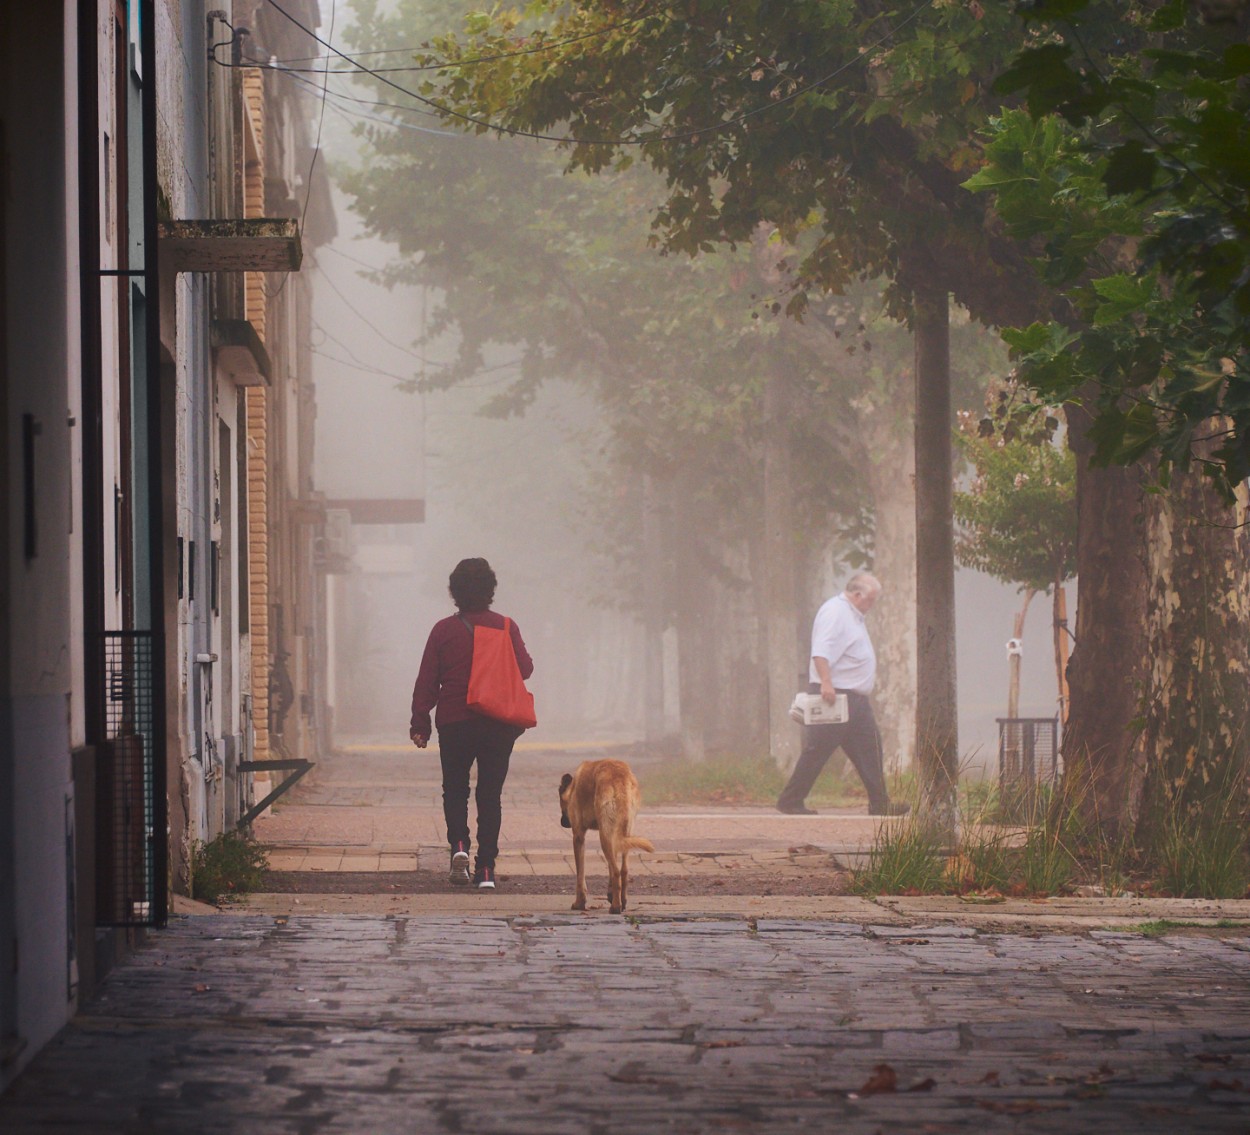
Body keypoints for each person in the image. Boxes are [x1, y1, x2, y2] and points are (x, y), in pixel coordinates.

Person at [410, 558, 534, 890]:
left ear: (455, 592)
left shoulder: (443, 630)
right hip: (497, 722)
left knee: (455, 789)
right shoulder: (506, 626)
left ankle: (459, 847)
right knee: (489, 795)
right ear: (491, 590)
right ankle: (487, 871)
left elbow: (427, 680)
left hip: (454, 721)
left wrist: (420, 723)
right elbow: (525, 669)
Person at [776, 572, 909, 817]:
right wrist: (826, 682)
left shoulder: (853, 616)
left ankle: (879, 803)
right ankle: (790, 800)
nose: (872, 605)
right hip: (835, 696)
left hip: (855, 699)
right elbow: (821, 651)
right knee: (818, 749)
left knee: (871, 748)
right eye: (871, 600)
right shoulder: (835, 612)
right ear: (858, 595)